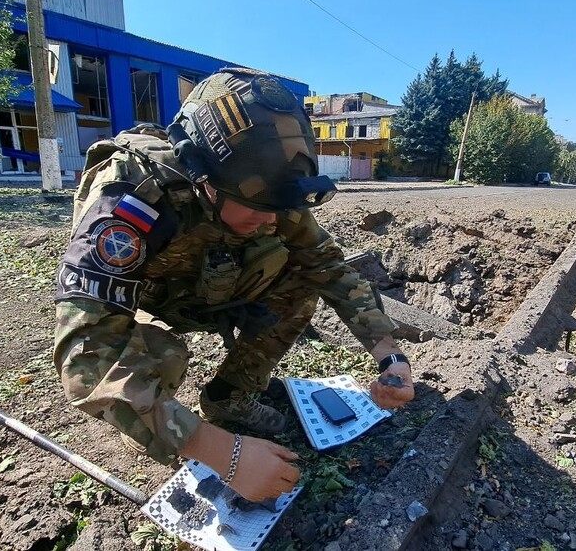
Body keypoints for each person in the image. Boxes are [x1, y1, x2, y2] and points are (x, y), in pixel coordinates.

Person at [52, 67, 415, 503]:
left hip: (218, 286)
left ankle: (230, 396)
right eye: (257, 208)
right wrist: (217, 449)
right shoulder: (131, 194)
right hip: (154, 299)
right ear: (203, 178)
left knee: (300, 282)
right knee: (163, 355)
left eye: (278, 209)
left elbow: (329, 266)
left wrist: (389, 355)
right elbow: (86, 355)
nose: (272, 219)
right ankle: (175, 441)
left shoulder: (267, 189)